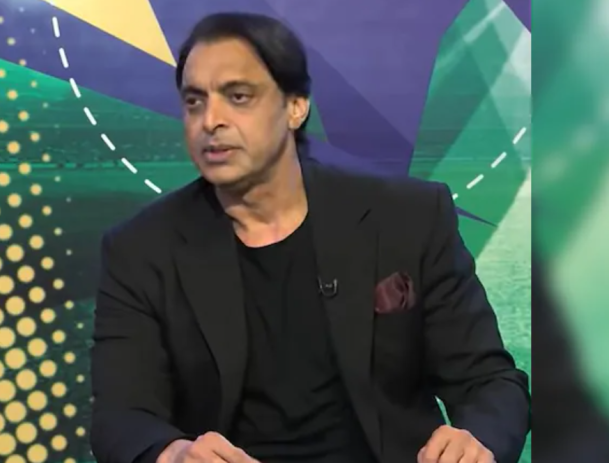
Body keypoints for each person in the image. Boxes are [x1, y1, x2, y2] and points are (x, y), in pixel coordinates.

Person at [90, 12, 530, 463]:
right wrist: (174, 453)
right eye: (194, 102)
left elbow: (490, 383)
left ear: (295, 107)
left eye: (238, 97)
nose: (210, 120)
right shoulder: (140, 250)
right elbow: (120, 416)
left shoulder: (408, 219)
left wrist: (477, 441)